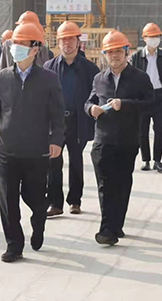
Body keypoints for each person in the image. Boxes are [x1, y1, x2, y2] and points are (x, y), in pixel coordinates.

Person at [0, 22, 65, 263]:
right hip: (8, 150)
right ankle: (14, 245)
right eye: (14, 43)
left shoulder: (49, 79)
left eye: (22, 44)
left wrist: (56, 140)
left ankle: (38, 223)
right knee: (8, 201)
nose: (16, 48)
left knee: (36, 198)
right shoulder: (1, 78)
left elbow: (58, 114)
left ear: (35, 49)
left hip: (37, 152)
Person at [85, 31, 156, 245]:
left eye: (118, 51)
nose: (114, 56)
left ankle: (116, 225)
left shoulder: (140, 78)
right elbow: (89, 101)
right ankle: (107, 229)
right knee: (105, 186)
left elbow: (151, 105)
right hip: (103, 140)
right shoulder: (99, 78)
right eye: (109, 52)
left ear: (127, 52)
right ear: (104, 55)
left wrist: (124, 105)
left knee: (122, 185)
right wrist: (91, 109)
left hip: (127, 140)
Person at [43, 21, 99, 217]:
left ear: (78, 41)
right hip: (55, 123)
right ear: (58, 42)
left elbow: (96, 95)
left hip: (77, 121)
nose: (67, 43)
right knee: (53, 161)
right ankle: (54, 203)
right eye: (63, 39)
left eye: (70, 39)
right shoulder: (49, 67)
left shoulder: (89, 69)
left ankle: (75, 201)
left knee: (76, 160)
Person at [130, 23, 162, 172]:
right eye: (151, 36)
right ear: (144, 38)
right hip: (143, 98)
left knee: (160, 130)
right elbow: (132, 78)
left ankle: (158, 160)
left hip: (159, 96)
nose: (154, 39)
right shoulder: (137, 57)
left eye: (157, 36)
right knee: (142, 130)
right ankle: (146, 160)